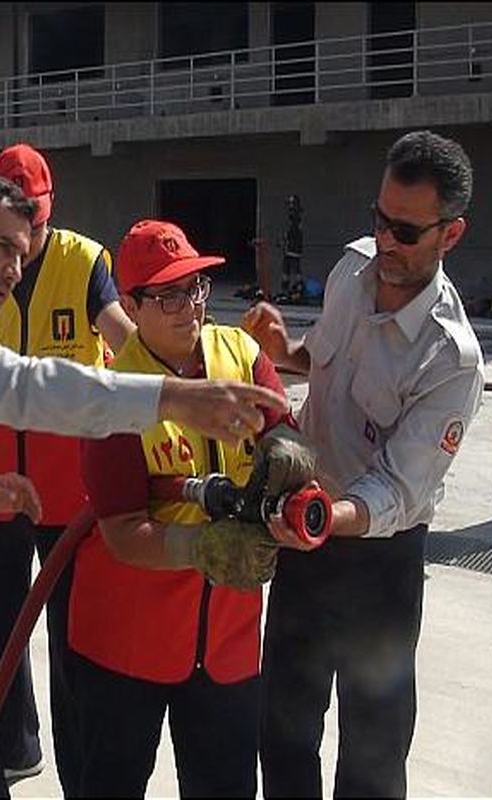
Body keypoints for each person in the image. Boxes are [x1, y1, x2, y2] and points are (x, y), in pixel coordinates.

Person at [0, 171, 288, 796]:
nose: (14, 271)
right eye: (2, 248)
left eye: (23, 255)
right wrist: (173, 398)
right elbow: (26, 387)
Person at [243, 129, 485, 798]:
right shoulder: (352, 270)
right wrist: (282, 347)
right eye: (380, 220)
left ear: (451, 234)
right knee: (284, 730)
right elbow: (320, 359)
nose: (385, 242)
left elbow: (396, 492)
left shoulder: (450, 359)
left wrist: (323, 514)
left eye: (405, 232)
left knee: (373, 755)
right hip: (306, 538)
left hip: (378, 564)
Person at [70, 219, 293, 798]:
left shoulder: (239, 354)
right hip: (127, 642)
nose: (187, 307)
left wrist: (292, 457)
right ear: (128, 304)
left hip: (227, 643)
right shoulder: (113, 396)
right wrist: (203, 547)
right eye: (166, 294)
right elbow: (121, 532)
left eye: (194, 287)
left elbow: (286, 435)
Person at [0, 142, 136, 789]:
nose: (23, 240)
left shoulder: (84, 261)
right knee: (1, 625)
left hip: (71, 493)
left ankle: (82, 776)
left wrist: (175, 385)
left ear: (50, 209)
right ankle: (10, 747)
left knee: (75, 640)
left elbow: (121, 334)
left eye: (34, 222)